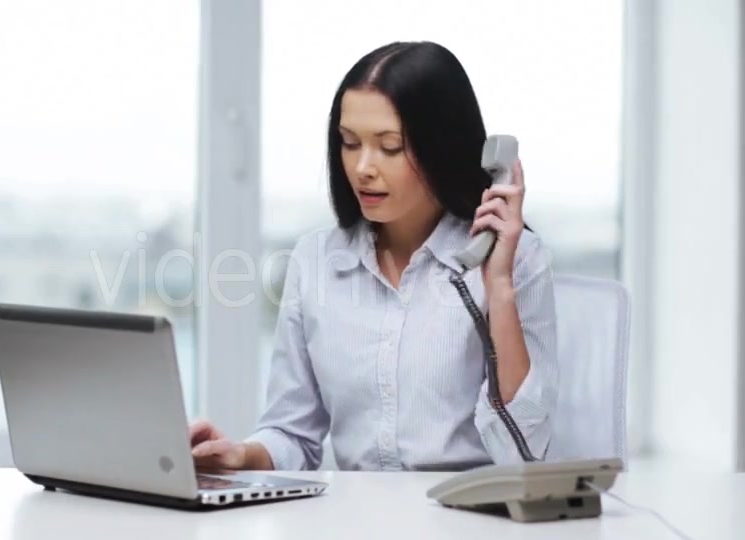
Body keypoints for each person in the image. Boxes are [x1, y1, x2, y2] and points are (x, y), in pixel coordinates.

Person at [189, 41, 558, 472]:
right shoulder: (315, 262)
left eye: (389, 146)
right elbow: (292, 433)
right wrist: (241, 454)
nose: (363, 167)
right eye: (349, 143)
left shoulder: (518, 261)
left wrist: (497, 286)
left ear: (442, 146)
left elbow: (525, 450)